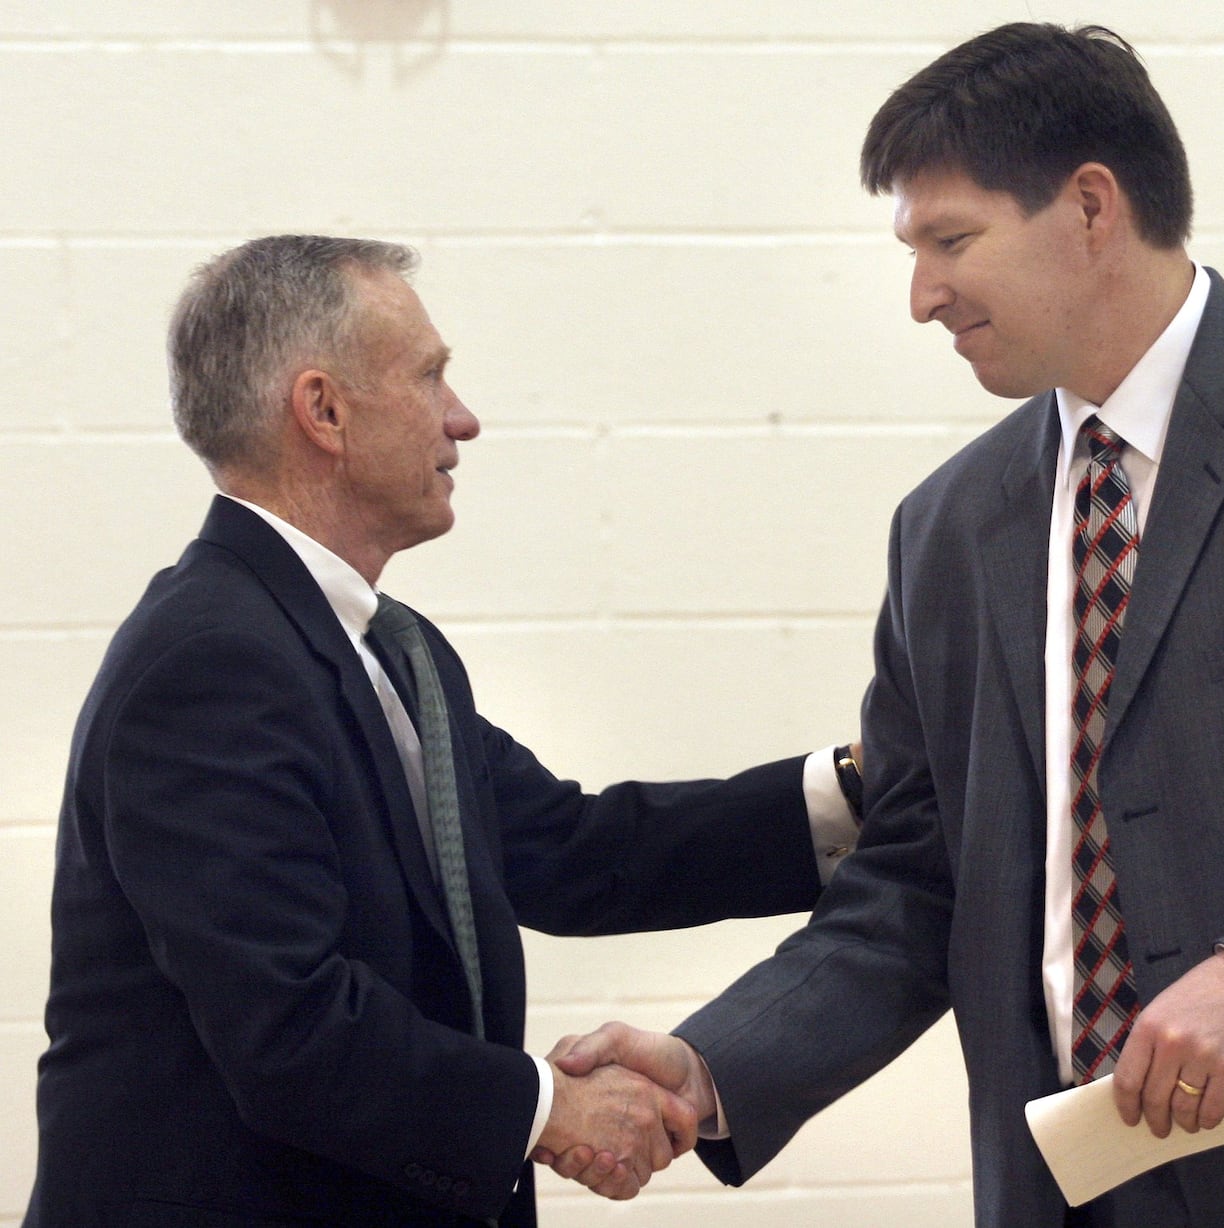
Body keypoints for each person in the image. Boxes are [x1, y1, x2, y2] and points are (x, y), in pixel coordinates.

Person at [546, 22, 1224, 1227]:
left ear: (1091, 206)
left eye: (951, 240)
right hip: (1078, 1191)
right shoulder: (945, 527)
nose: (921, 294)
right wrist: (717, 1067)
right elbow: (911, 882)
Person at [24, 234, 863, 1228]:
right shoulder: (210, 662)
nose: (462, 420)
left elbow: (571, 849)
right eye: (430, 378)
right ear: (323, 409)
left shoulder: (391, 648)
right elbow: (290, 1029)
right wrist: (552, 1108)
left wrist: (861, 788)